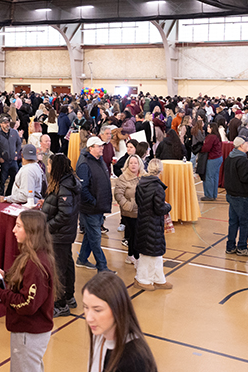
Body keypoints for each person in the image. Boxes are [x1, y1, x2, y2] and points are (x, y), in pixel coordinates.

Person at [0, 210, 57, 372]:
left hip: (29, 333)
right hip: (29, 331)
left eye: (18, 226)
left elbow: (27, 304)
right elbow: (27, 283)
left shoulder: (36, 264)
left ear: (31, 231)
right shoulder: (34, 256)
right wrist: (7, 275)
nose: (13, 230)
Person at [82, 272, 157, 372]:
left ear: (117, 308)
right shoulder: (101, 337)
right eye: (86, 307)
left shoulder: (133, 360)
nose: (89, 318)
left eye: (97, 310)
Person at [41, 154, 80, 318]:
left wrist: (47, 228)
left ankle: (60, 304)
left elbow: (65, 214)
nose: (47, 168)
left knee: (59, 269)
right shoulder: (67, 182)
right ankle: (69, 296)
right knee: (67, 264)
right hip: (65, 234)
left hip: (59, 234)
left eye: (49, 165)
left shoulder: (64, 186)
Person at [132, 158, 173, 291]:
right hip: (153, 222)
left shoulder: (141, 184)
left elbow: (139, 202)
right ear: (160, 170)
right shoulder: (158, 187)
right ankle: (141, 279)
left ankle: (158, 278)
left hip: (143, 221)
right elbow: (159, 208)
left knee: (155, 253)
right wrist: (168, 207)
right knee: (149, 253)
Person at [76, 137, 114, 273]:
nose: (102, 148)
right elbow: (82, 188)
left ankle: (82, 259)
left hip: (98, 207)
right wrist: (93, 201)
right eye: (99, 146)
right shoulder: (85, 165)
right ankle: (102, 266)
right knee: (95, 237)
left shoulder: (99, 161)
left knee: (90, 235)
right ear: (91, 148)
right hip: (90, 208)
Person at [222, 135, 248, 257]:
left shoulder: (230, 157)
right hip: (240, 194)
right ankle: (242, 247)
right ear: (241, 145)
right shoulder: (242, 160)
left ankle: (230, 246)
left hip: (231, 193)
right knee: (245, 222)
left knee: (233, 221)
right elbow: (245, 178)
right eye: (247, 143)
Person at [115, 154, 144, 268]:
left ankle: (131, 255)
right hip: (129, 211)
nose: (133, 165)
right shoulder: (123, 178)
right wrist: (127, 205)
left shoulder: (143, 176)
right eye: (131, 163)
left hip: (141, 210)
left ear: (139, 164)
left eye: (135, 163)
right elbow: (118, 194)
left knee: (135, 234)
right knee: (135, 233)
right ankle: (136, 257)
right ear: (127, 164)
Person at [0, 115, 22, 196]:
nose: (7, 124)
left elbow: (19, 143)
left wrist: (16, 153)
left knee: (15, 178)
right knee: (2, 180)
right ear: (1, 124)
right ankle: (1, 196)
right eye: (5, 123)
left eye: (8, 122)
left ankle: (10, 194)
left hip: (13, 160)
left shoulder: (14, 132)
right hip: (4, 161)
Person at [200, 122, 223, 201]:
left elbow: (206, 148)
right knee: (215, 177)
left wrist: (201, 147)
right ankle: (213, 194)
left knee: (209, 177)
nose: (207, 128)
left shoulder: (211, 137)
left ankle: (209, 195)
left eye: (209, 127)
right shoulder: (217, 136)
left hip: (212, 158)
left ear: (212, 128)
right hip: (219, 157)